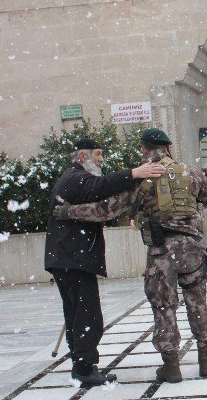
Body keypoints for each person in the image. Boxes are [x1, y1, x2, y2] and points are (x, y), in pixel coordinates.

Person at [44, 137, 165, 386]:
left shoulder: (74, 178)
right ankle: (85, 368)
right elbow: (100, 187)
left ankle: (82, 363)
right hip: (72, 258)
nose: (101, 159)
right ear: (82, 157)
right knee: (88, 316)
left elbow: (100, 194)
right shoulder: (75, 178)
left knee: (77, 314)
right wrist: (135, 173)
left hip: (68, 257)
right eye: (97, 154)